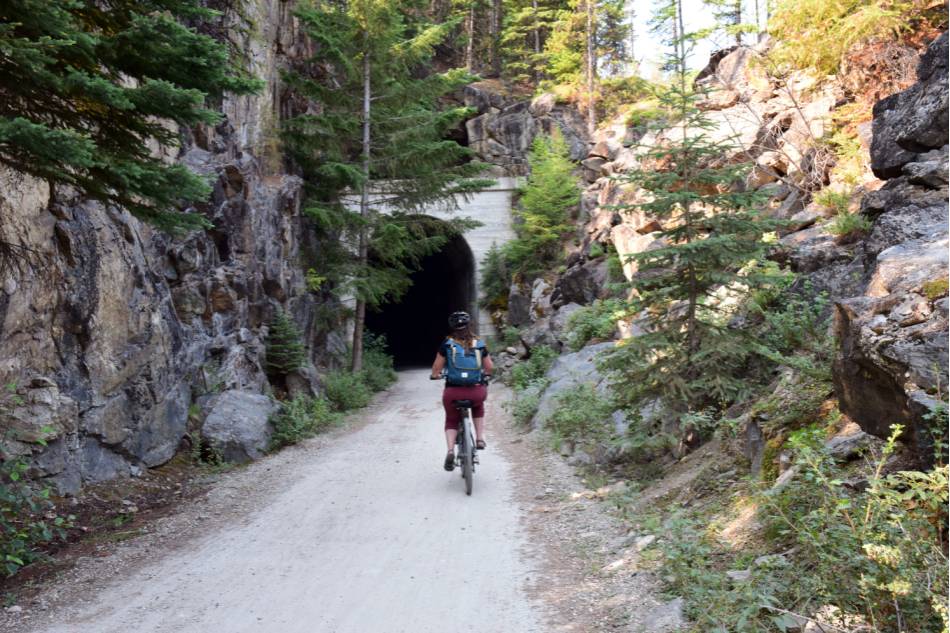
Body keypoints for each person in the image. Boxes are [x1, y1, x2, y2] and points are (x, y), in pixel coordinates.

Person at [430, 311, 493, 471]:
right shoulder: (479, 343)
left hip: (453, 392)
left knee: (451, 419)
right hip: (475, 391)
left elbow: (437, 367)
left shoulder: (447, 344)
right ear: (469, 325)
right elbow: (489, 367)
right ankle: (479, 439)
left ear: (453, 327)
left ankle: (450, 450)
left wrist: (435, 375)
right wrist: (486, 376)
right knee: (478, 406)